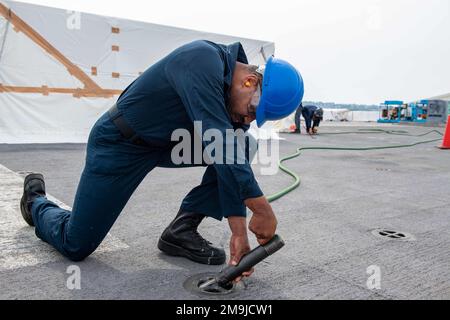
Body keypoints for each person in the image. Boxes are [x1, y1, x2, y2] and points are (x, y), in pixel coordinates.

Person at [20, 40, 303, 281]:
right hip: (120, 143)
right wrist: (261, 208)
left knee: (243, 143)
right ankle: (36, 203)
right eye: (252, 110)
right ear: (250, 81)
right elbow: (219, 143)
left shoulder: (234, 109)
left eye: (254, 118)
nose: (246, 119)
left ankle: (181, 230)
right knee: (76, 244)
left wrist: (238, 232)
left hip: (171, 144)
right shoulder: (201, 59)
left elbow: (228, 156)